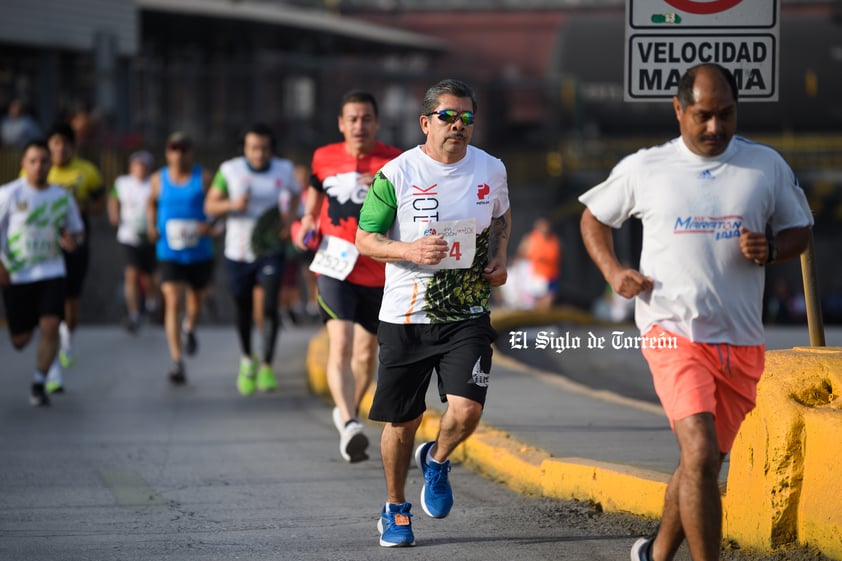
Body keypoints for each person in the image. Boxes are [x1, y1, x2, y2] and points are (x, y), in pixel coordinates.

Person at [578, 63, 813, 561]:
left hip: (741, 343)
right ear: (679, 110)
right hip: (671, 331)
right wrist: (615, 271)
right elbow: (594, 218)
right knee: (703, 454)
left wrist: (771, 247)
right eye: (703, 115)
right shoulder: (646, 168)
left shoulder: (764, 165)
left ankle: (657, 553)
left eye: (725, 115)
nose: (715, 128)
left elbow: (801, 230)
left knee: (698, 464)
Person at [356, 78, 511, 547]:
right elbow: (365, 238)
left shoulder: (491, 168)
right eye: (448, 116)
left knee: (465, 412)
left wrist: (501, 255)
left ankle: (438, 460)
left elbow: (501, 216)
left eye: (466, 117)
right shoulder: (396, 174)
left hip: (465, 312)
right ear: (426, 122)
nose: (458, 125)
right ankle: (394, 509)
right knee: (402, 424)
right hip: (406, 315)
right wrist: (409, 249)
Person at [293, 91, 402, 463]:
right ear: (341, 123)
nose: (359, 126)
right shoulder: (323, 157)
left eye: (366, 118)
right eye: (352, 119)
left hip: (378, 271)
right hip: (334, 266)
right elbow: (311, 202)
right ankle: (353, 422)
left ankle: (346, 414)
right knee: (339, 343)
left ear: (376, 122)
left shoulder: (395, 161)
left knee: (365, 353)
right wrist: (306, 223)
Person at [204, 124, 300, 395]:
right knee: (243, 307)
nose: (259, 154)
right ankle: (248, 358)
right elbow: (210, 205)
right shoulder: (230, 170)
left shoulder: (283, 169)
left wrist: (289, 219)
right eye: (253, 148)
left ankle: (267, 364)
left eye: (264, 149)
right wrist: (232, 205)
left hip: (270, 249)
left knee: (270, 305)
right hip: (238, 251)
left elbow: (296, 195)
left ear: (271, 149)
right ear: (244, 149)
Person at [0, 140, 84, 406]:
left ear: (51, 165)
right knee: (20, 340)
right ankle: (30, 327)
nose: (39, 166)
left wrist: (74, 241)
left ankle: (39, 381)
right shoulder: (9, 194)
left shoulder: (62, 197)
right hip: (16, 273)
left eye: (44, 161)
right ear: (23, 164)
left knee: (50, 325)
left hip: (51, 271)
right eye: (33, 161)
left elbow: (77, 231)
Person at [147, 132, 214, 385]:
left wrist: (210, 225)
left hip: (199, 251)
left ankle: (190, 328)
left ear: (191, 152)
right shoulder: (158, 179)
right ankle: (177, 361)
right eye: (173, 148)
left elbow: (215, 206)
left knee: (195, 300)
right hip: (169, 251)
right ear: (167, 152)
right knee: (173, 300)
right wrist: (152, 226)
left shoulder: (203, 177)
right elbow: (150, 203)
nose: (178, 154)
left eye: (183, 149)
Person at [42, 122, 104, 393]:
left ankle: (69, 336)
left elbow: (100, 204)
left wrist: (84, 206)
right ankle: (52, 371)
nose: (60, 148)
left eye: (64, 143)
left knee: (71, 304)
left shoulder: (87, 171)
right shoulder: (40, 169)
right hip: (45, 249)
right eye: (55, 142)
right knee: (51, 311)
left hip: (77, 244)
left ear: (72, 146)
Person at [108, 150, 159, 333]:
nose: (140, 169)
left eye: (144, 166)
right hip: (128, 235)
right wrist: (114, 214)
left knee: (148, 277)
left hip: (149, 236)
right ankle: (134, 314)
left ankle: (152, 302)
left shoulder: (154, 183)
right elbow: (113, 199)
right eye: (137, 165)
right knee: (131, 273)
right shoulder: (122, 183)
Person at [516, 216, 562, 310]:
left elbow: (558, 256)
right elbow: (521, 253)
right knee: (539, 301)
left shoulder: (554, 239)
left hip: (552, 275)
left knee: (549, 300)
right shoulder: (530, 239)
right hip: (537, 275)